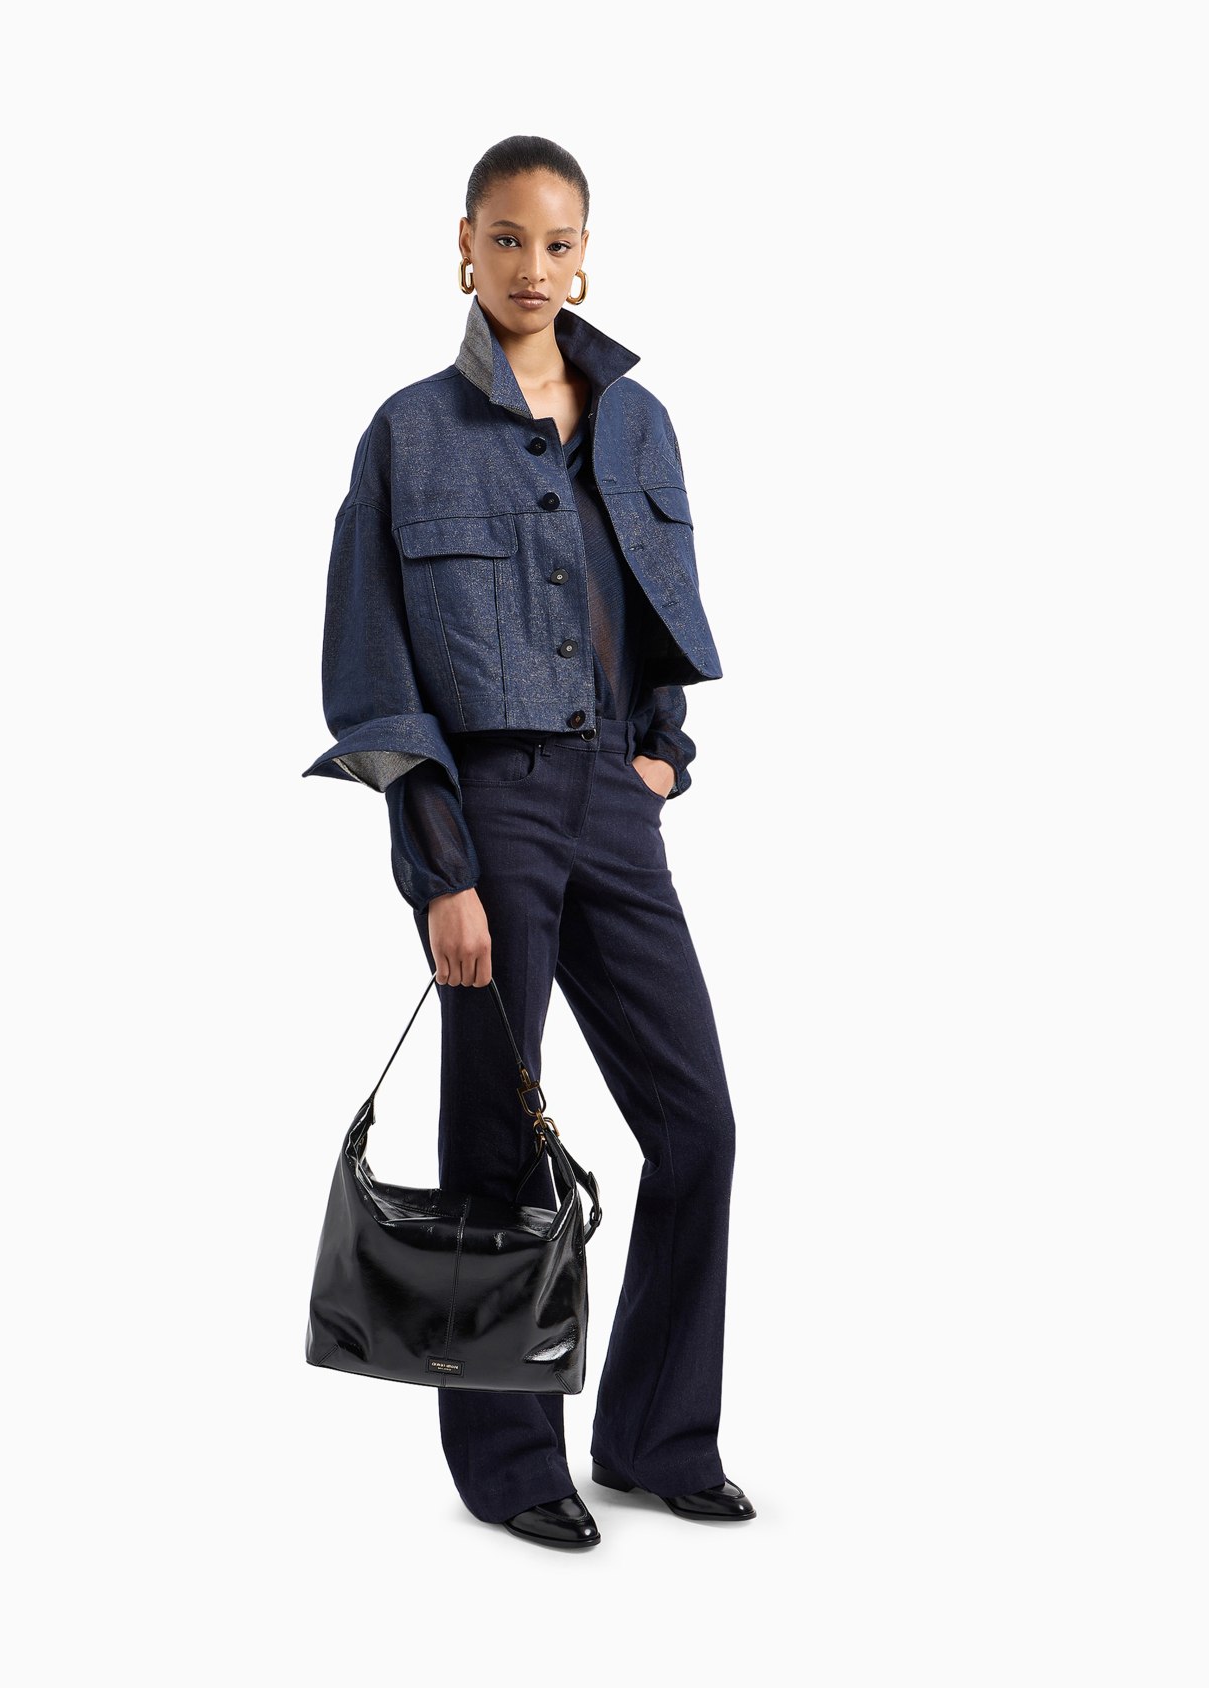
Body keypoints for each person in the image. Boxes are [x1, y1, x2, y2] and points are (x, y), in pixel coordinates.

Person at [303, 134, 754, 1548]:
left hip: (612, 801)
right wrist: (441, 871)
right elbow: (373, 674)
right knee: (495, 1135)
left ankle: (656, 1436)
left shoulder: (638, 422)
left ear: (585, 257)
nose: (532, 268)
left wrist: (658, 758)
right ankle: (510, 1467)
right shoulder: (408, 432)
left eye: (556, 244)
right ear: (464, 247)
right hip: (488, 806)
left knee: (697, 1126)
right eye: (506, 240)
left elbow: (659, 608)